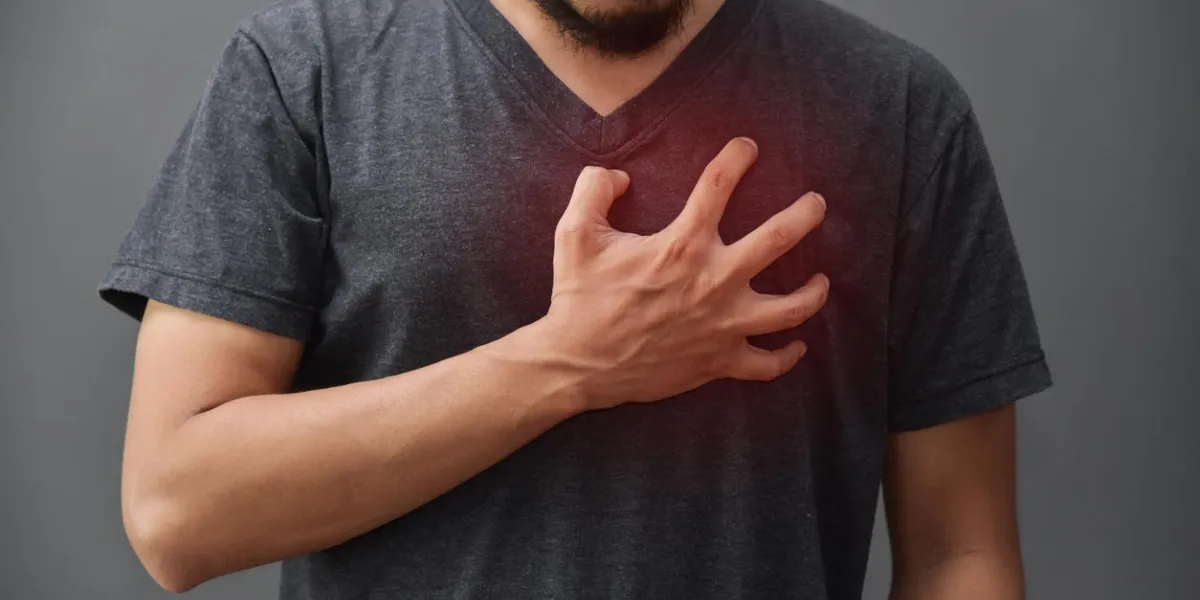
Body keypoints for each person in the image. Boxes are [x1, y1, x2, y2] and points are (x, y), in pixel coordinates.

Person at [97, 0, 1053, 598]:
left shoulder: (899, 110)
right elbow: (179, 515)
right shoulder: (302, 69)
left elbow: (960, 555)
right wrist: (569, 362)